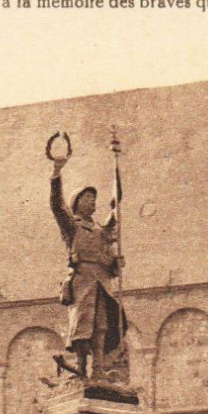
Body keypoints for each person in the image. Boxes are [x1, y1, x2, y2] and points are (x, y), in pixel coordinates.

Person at [50, 153, 127, 379]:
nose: (92, 201)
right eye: (87, 198)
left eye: (94, 198)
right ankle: (83, 368)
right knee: (83, 328)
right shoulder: (72, 227)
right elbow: (56, 205)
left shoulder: (100, 231)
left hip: (101, 281)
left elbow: (113, 218)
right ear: (77, 203)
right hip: (82, 281)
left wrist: (115, 263)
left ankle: (99, 368)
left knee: (102, 325)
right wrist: (56, 173)